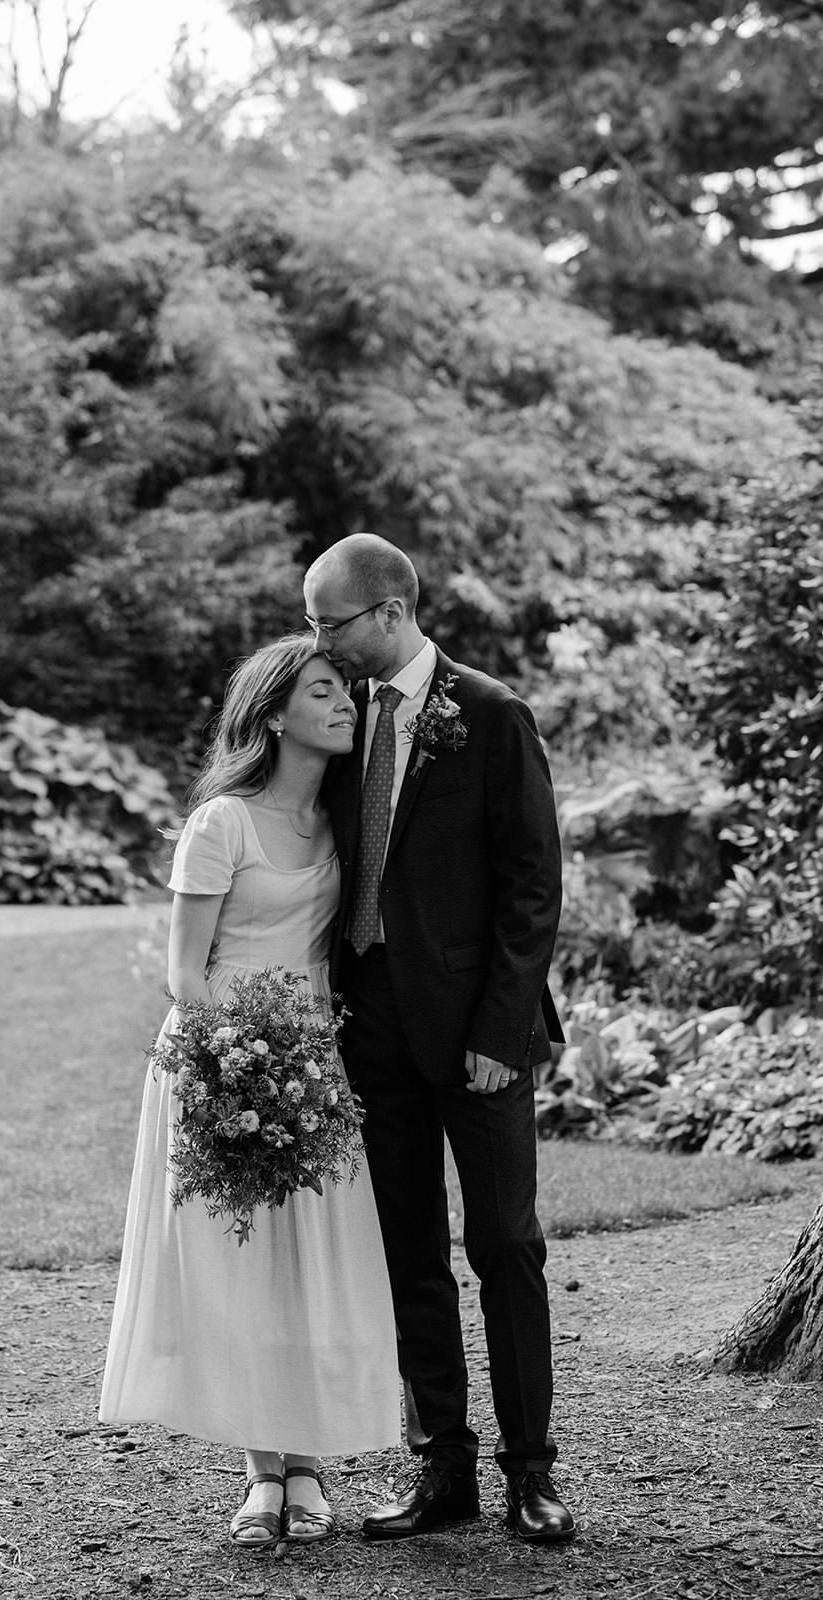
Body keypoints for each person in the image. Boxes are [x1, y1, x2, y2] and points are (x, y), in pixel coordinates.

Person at [99, 633, 401, 1548]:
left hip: (315, 1063)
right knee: (240, 1265)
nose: (345, 705)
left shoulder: (350, 817)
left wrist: (298, 1066)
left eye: (344, 691)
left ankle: (308, 1458)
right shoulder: (220, 823)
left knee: (312, 1260)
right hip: (219, 1060)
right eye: (321, 692)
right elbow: (184, 974)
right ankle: (262, 1472)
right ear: (273, 715)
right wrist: (240, 1063)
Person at [302, 534, 575, 1545]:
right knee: (406, 1250)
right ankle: (441, 1470)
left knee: (505, 1246)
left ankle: (532, 1475)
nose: (314, 638)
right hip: (372, 1030)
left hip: (479, 1039)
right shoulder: (340, 713)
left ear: (387, 611)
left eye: (327, 619)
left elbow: (531, 885)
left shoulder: (491, 714)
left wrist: (503, 1031)